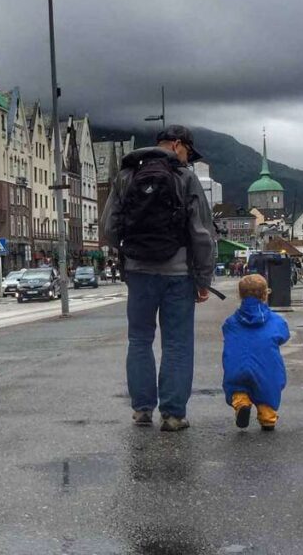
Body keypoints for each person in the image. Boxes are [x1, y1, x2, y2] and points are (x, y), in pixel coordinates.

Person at [101, 125, 216, 432]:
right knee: (177, 344)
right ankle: (173, 414)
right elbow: (202, 234)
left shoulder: (126, 176)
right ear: (178, 145)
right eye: (188, 153)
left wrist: (132, 252)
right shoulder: (185, 178)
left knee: (139, 340)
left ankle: (141, 411)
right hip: (178, 275)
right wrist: (203, 278)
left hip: (138, 273)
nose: (188, 160)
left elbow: (108, 229)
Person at [222, 273, 290, 432]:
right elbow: (283, 336)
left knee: (237, 388)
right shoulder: (276, 321)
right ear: (265, 295)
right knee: (268, 390)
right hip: (266, 367)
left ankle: (242, 404)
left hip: (237, 366)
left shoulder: (231, 322)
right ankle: (267, 418)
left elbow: (226, 332)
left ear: (239, 295)